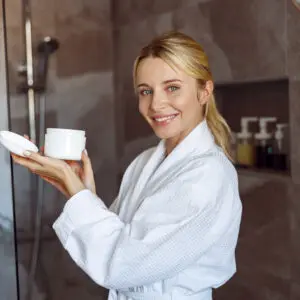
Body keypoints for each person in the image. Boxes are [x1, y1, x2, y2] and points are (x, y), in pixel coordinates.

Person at [12, 31, 242, 300]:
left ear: (204, 91)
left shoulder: (207, 175)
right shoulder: (146, 161)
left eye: (172, 87)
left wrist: (77, 193)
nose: (155, 104)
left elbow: (121, 264)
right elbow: (120, 240)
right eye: (146, 91)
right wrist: (80, 189)